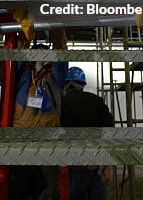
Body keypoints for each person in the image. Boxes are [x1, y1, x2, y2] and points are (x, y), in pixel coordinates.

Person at [10, 29, 68, 200]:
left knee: (47, 193)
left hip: (47, 143)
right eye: (37, 52)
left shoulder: (56, 77)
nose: (41, 55)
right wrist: (27, 31)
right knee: (17, 190)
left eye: (45, 53)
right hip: (20, 142)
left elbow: (61, 52)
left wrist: (57, 27)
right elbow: (17, 55)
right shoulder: (23, 76)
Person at [61, 67, 114, 200]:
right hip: (97, 162)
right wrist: (107, 163)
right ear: (83, 84)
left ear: (67, 84)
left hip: (76, 163)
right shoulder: (97, 100)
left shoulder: (62, 103)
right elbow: (109, 129)